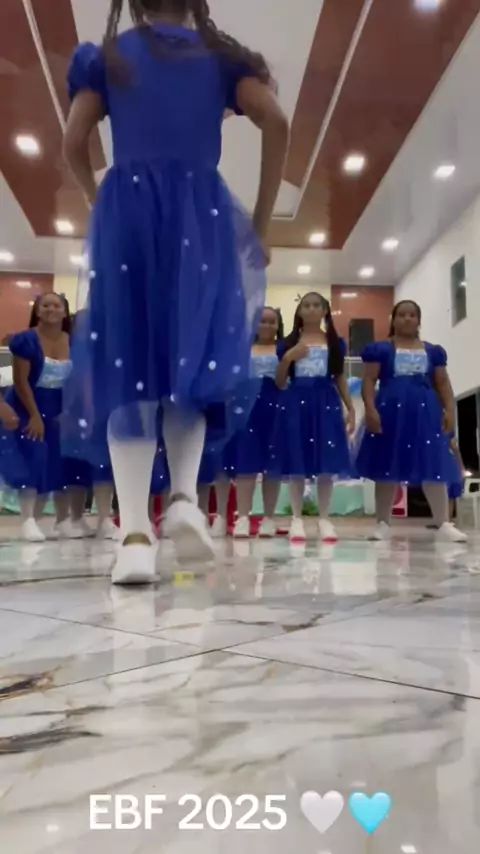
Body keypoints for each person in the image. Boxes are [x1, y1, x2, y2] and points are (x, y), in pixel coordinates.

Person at [63, 0, 288, 584]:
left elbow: (73, 140)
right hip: (201, 220)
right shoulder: (220, 58)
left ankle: (135, 537)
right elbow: (277, 122)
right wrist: (261, 225)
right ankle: (185, 497)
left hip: (128, 218)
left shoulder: (108, 58)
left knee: (129, 367)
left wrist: (97, 198)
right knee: (192, 356)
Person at [356, 300, 466, 542]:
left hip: (426, 414)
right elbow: (369, 381)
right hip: (390, 414)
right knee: (387, 467)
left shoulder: (433, 352)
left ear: (418, 320)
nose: (407, 319)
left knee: (433, 465)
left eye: (412, 315)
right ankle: (383, 523)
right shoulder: (381, 349)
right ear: (393, 320)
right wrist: (370, 409)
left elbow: (443, 383)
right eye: (402, 315)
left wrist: (450, 410)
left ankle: (443, 523)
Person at [276, 293, 355, 543]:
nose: (311, 309)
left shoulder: (334, 343)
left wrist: (350, 407)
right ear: (299, 311)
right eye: (306, 305)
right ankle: (296, 518)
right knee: (297, 461)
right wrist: (288, 358)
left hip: (326, 401)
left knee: (326, 462)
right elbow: (280, 382)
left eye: (316, 305)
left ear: (325, 310)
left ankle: (324, 518)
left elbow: (339, 377)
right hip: (296, 401)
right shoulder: (288, 343)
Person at [0, 294, 75, 542]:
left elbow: (77, 381)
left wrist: (69, 411)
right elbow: (21, 382)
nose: (51, 309)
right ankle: (27, 520)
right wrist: (34, 415)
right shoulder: (26, 341)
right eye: (45, 305)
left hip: (58, 408)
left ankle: (44, 518)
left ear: (64, 312)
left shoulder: (73, 341)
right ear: (37, 311)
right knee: (34, 456)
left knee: (56, 463)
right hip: (26, 405)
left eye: (57, 305)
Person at [214, 306, 284, 539]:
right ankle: (240, 516)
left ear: (278, 325)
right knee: (243, 463)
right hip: (243, 409)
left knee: (272, 465)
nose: (267, 325)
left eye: (272, 321)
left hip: (274, 408)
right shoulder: (240, 349)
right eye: (262, 321)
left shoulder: (284, 350)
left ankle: (269, 518)